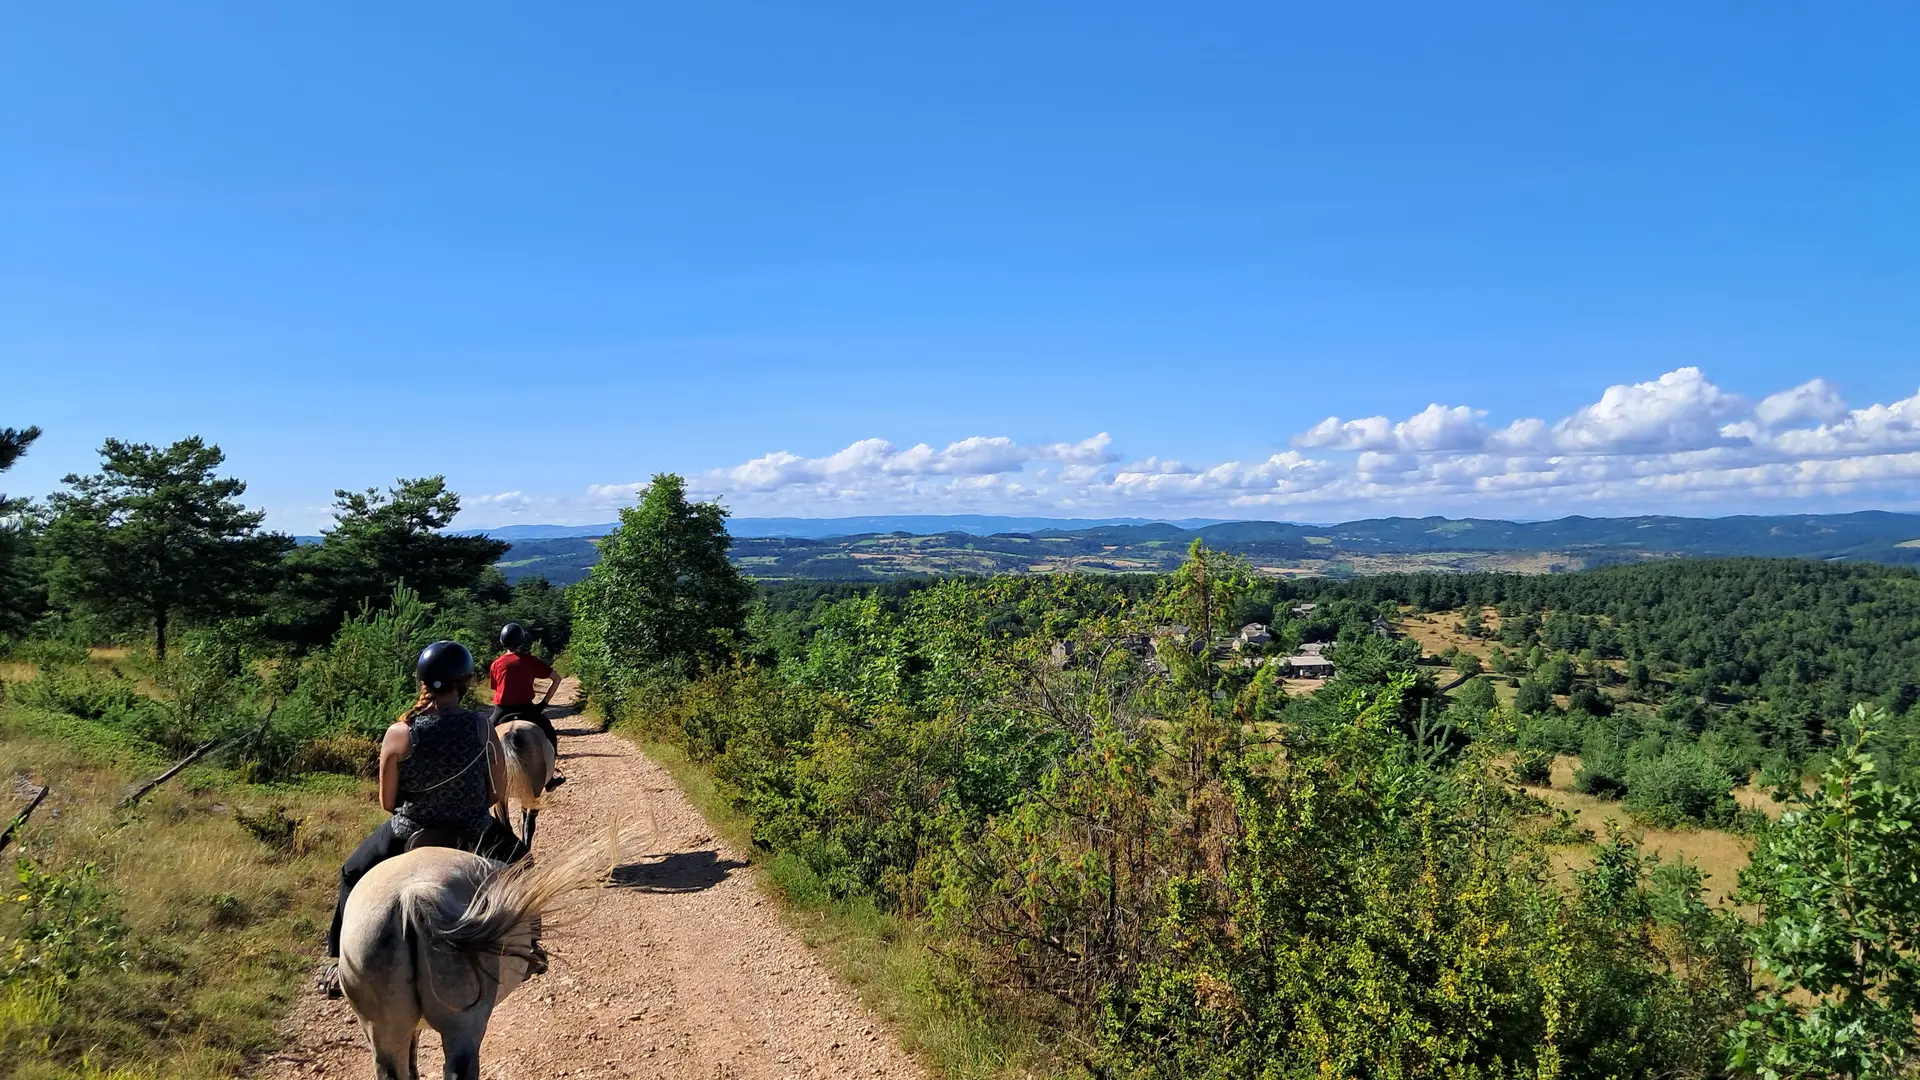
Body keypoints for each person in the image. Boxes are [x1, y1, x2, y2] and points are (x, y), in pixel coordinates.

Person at [319, 640, 529, 998]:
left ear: (421, 681)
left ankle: (339, 960)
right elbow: (497, 793)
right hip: (473, 830)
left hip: (409, 831)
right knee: (525, 864)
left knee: (351, 872)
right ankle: (530, 948)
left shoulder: (399, 733)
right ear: (463, 682)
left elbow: (387, 802)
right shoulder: (480, 727)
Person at [489, 622, 564, 789]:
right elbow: (557, 679)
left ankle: (481, 778)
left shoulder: (496, 664)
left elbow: (495, 688)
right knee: (549, 732)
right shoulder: (530, 661)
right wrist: (543, 704)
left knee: (484, 735)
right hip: (527, 709)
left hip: (501, 710)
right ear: (521, 641)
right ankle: (549, 778)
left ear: (502, 641)